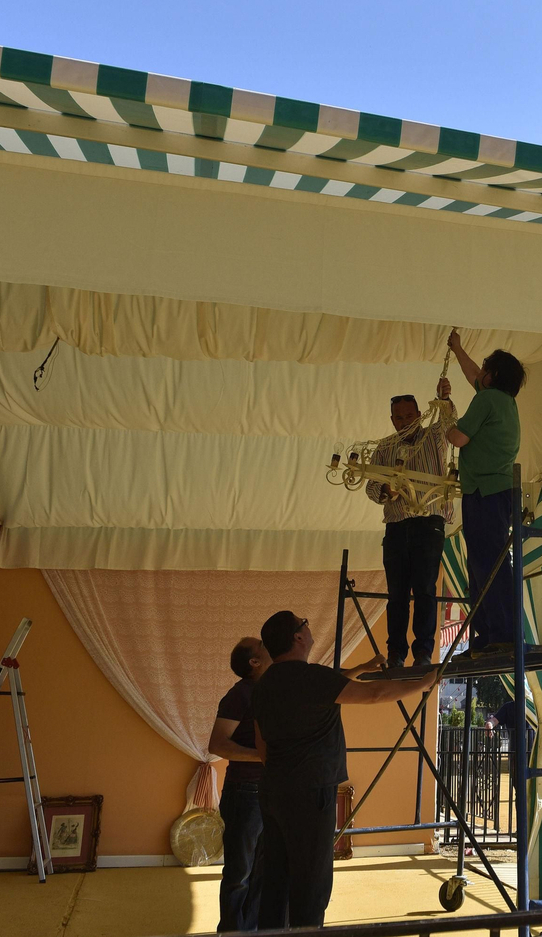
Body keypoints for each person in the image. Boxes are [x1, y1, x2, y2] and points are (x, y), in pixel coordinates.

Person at [251, 611, 436, 930]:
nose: (309, 628)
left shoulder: (265, 684)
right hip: (311, 796)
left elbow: (262, 745)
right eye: (305, 623)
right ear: (297, 637)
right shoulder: (312, 678)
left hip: (273, 791)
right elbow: (375, 694)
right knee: (311, 885)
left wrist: (362, 669)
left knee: (276, 881)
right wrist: (424, 682)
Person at [444, 331, 526, 653]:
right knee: (485, 563)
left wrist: (446, 416)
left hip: (484, 492)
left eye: (487, 368)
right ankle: (493, 634)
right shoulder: (504, 402)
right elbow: (473, 374)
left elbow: (458, 438)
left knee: (486, 564)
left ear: (493, 375)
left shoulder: (486, 400)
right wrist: (458, 349)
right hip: (494, 492)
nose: (481, 373)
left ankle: (499, 633)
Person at [365, 377, 455, 668]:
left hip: (429, 524)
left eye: (409, 416)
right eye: (399, 417)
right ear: (392, 420)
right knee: (397, 595)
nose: (404, 422)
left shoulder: (434, 436)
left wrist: (443, 398)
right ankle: (396, 654)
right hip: (396, 527)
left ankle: (423, 653)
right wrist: (384, 491)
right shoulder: (383, 448)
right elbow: (369, 487)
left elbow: (449, 419)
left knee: (426, 589)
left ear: (419, 415)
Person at [209, 636, 270, 933]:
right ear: (254, 663)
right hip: (244, 794)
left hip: (269, 794)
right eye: (261, 645)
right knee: (239, 874)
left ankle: (251, 930)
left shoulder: (274, 689)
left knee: (261, 873)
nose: (268, 644)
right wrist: (263, 757)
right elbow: (218, 743)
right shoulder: (239, 695)